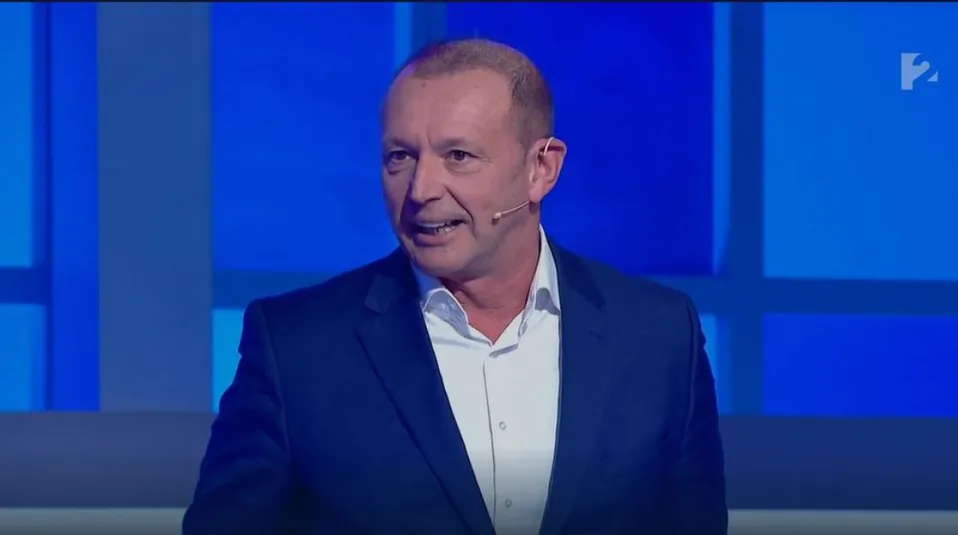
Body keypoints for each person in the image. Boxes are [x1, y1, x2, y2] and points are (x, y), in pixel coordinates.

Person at [183, 38, 727, 535]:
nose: (421, 189)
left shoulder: (658, 335)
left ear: (541, 169)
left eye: (458, 156)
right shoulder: (295, 347)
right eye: (400, 157)